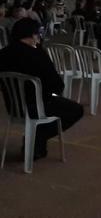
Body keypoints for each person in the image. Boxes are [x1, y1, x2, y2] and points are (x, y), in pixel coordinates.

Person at [0, 18, 83, 159]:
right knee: (76, 110)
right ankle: (38, 136)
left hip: (14, 106)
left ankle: (35, 141)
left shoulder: (3, 54)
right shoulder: (37, 54)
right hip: (38, 106)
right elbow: (57, 85)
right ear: (33, 35)